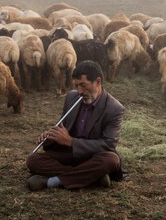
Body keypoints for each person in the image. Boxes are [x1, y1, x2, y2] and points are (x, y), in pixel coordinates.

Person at [26, 60, 126, 191]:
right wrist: (51, 138)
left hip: (94, 156)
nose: (79, 91)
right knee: (33, 160)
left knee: (112, 160)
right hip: (70, 154)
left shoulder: (114, 108)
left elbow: (108, 145)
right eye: (77, 86)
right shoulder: (71, 97)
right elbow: (63, 127)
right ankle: (92, 177)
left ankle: (52, 181)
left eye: (83, 85)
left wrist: (72, 142)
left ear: (98, 82)